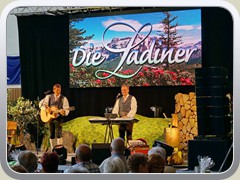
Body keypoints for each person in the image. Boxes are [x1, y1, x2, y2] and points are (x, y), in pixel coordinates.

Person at [39, 84, 70, 151]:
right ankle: (53, 149)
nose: (59, 91)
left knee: (59, 133)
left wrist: (63, 112)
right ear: (53, 90)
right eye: (57, 90)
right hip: (50, 117)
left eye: (59, 90)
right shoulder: (48, 97)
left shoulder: (64, 98)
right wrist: (46, 109)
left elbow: (66, 109)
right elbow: (41, 105)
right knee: (51, 133)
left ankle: (59, 149)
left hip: (59, 117)